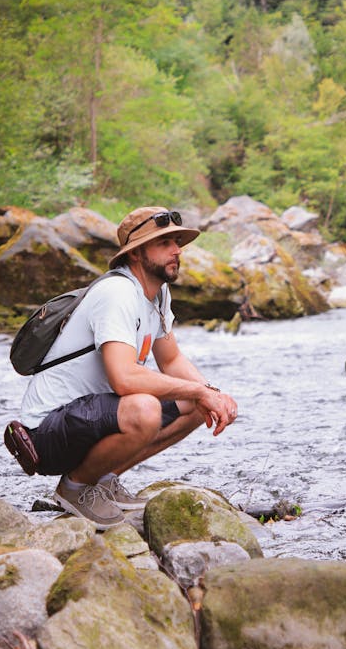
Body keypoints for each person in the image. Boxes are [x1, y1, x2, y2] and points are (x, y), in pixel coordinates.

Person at [19, 206, 239, 529]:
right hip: (46, 431)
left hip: (91, 418)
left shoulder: (157, 294)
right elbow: (123, 379)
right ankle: (75, 488)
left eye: (177, 242)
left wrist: (212, 394)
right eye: (164, 243)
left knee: (196, 403)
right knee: (145, 409)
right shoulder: (117, 293)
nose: (177, 250)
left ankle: (102, 481)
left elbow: (171, 360)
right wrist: (199, 390)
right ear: (136, 254)